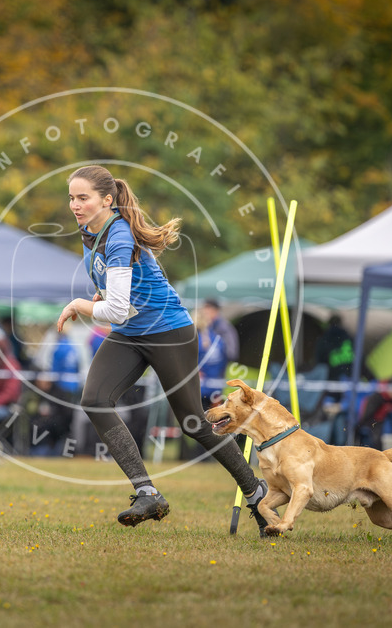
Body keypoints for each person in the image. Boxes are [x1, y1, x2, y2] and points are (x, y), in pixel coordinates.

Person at [56, 165, 267, 532]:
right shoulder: (92, 231)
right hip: (132, 333)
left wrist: (79, 305)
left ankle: (256, 491)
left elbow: (116, 311)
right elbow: (122, 298)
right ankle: (147, 492)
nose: (74, 204)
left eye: (83, 197)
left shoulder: (118, 235)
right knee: (94, 400)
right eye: (72, 197)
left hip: (169, 332)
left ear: (107, 200)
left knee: (192, 423)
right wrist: (103, 292)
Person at [201, 298, 239, 363]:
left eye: (207, 309)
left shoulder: (224, 327)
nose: (204, 312)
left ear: (215, 310)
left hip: (221, 368)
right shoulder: (207, 326)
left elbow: (231, 353)